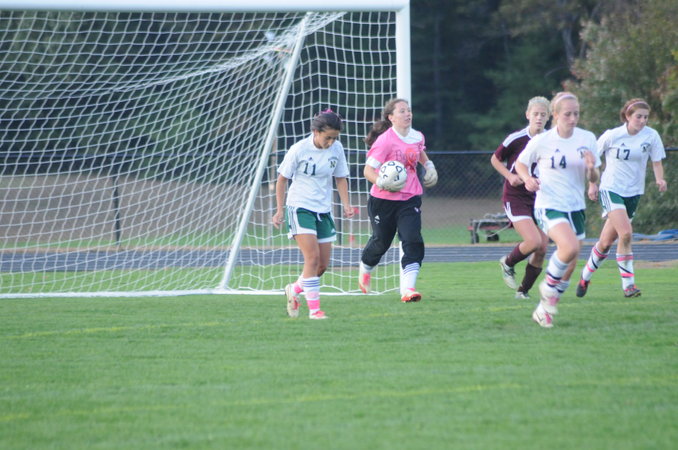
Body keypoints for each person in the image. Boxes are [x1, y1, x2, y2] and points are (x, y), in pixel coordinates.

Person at [515, 92, 601, 328]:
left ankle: (544, 310)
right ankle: (548, 287)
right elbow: (521, 163)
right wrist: (527, 179)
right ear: (555, 115)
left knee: (571, 262)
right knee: (569, 247)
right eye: (567, 114)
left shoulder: (587, 138)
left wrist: (591, 170)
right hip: (549, 204)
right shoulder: (543, 140)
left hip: (576, 206)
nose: (573, 119)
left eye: (576, 114)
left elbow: (594, 176)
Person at [576, 98, 667, 298]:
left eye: (645, 117)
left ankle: (585, 276)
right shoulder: (613, 135)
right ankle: (629, 285)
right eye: (638, 116)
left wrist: (660, 179)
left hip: (634, 193)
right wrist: (592, 184)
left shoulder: (651, 136)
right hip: (611, 189)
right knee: (626, 234)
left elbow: (657, 162)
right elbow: (592, 160)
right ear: (627, 116)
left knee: (605, 242)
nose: (642, 121)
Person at [272, 109, 355, 319]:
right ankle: (315, 311)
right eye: (328, 138)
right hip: (300, 207)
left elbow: (340, 178)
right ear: (316, 132)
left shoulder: (337, 149)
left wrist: (346, 204)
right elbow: (282, 180)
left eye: (335, 138)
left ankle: (294, 289)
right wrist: (280, 210)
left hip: (323, 210)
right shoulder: (299, 149)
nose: (331, 142)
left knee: (321, 266)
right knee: (312, 258)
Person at [357, 98, 438, 302]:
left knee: (412, 239)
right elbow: (368, 170)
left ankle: (408, 289)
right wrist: (381, 182)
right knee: (381, 242)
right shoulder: (384, 141)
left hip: (410, 198)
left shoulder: (417, 136)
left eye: (408, 110)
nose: (407, 114)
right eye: (402, 111)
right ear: (391, 117)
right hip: (382, 200)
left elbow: (420, 152)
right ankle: (366, 267)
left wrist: (429, 166)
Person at [491, 96, 551, 299]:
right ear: (527, 115)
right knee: (533, 241)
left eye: (543, 114)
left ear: (549, 117)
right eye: (535, 114)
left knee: (542, 247)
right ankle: (507, 262)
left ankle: (523, 291)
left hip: (540, 199)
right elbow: (495, 159)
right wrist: (510, 176)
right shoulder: (516, 138)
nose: (539, 118)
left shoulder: (551, 140)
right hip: (516, 197)